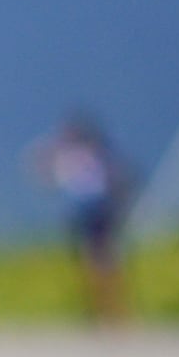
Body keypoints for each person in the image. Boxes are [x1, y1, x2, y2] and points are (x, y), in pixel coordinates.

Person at [30, 111, 131, 322]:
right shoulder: (98, 153)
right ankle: (108, 309)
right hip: (95, 209)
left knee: (95, 263)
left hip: (90, 209)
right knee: (103, 261)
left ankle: (107, 309)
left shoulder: (72, 154)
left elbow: (45, 175)